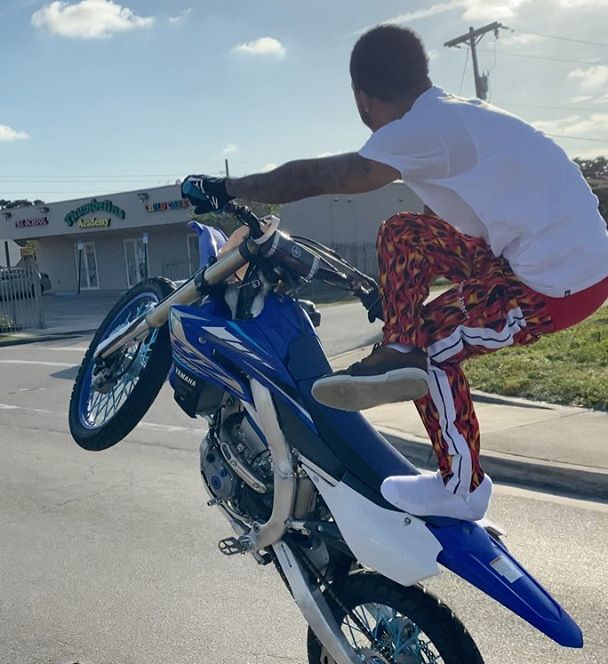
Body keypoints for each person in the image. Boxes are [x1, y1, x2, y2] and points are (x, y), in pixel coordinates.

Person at [181, 24, 608, 521]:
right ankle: (399, 347)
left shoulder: (417, 131)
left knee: (433, 348)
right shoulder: (455, 116)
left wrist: (226, 188)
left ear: (362, 98)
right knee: (403, 232)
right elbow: (437, 223)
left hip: (555, 285)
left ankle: (462, 487)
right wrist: (397, 299)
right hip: (549, 257)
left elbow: (322, 176)